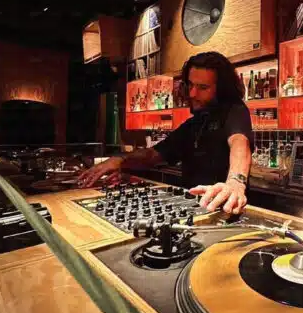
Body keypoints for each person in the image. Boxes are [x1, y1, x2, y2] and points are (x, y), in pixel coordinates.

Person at [77, 51, 253, 214]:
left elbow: (239, 141)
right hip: (195, 208)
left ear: (221, 89)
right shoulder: (193, 124)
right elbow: (154, 154)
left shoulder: (234, 111)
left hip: (225, 209)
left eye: (203, 87)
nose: (192, 93)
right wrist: (120, 161)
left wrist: (236, 182)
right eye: (190, 85)